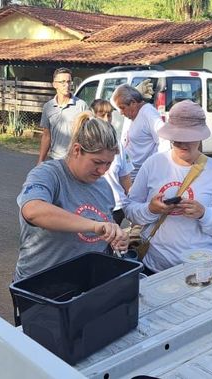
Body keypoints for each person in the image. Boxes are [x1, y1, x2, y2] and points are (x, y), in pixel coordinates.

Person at [124, 100, 212, 273]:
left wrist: (204, 214)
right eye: (177, 139)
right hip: (154, 268)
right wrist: (151, 210)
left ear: (200, 136)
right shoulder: (153, 164)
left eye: (189, 138)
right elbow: (130, 210)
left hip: (200, 270)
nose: (182, 144)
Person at [15, 116, 128, 281]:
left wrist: (115, 239)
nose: (103, 170)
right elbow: (33, 210)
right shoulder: (49, 174)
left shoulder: (103, 185)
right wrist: (95, 226)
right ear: (76, 150)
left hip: (85, 283)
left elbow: (103, 232)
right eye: (97, 162)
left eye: (108, 164)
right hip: (41, 283)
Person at [111, 84, 168, 180]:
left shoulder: (148, 113)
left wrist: (156, 172)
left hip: (139, 176)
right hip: (127, 173)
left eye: (122, 108)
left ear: (133, 103)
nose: (120, 112)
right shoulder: (133, 112)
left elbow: (164, 141)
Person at [91, 99, 133, 225]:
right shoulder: (86, 142)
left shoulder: (118, 144)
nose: (106, 119)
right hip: (92, 205)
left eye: (109, 115)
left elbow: (125, 177)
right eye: (101, 115)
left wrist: (133, 202)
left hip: (115, 207)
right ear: (93, 116)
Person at [37, 67, 89, 163]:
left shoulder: (81, 106)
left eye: (69, 82)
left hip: (75, 160)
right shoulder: (48, 107)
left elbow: (87, 135)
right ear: (55, 84)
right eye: (63, 82)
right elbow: (46, 136)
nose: (67, 85)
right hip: (55, 159)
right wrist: (40, 160)